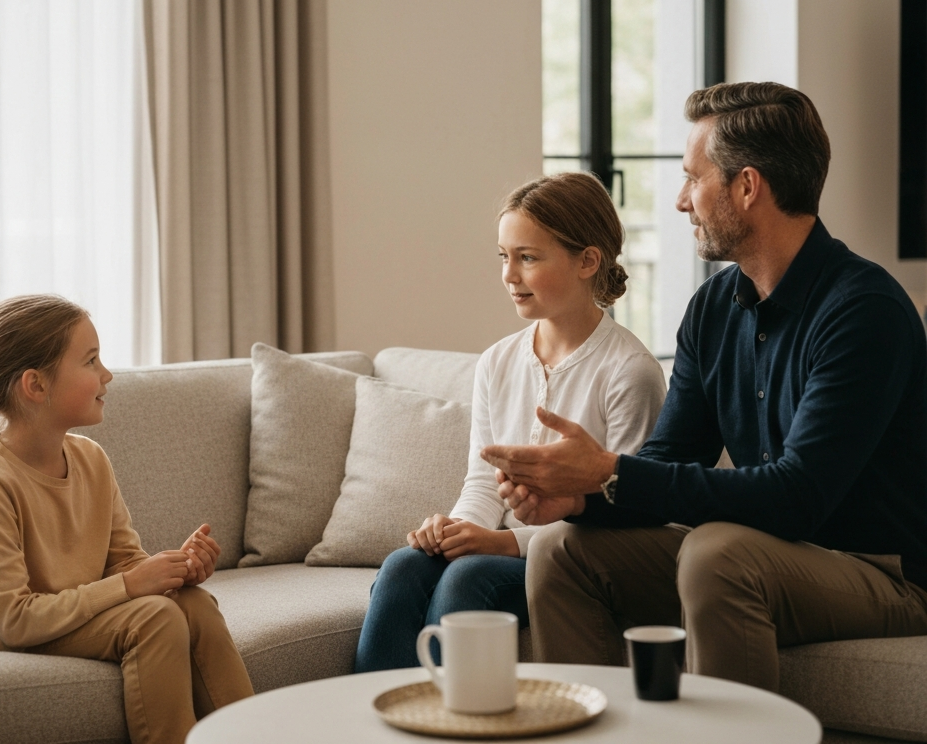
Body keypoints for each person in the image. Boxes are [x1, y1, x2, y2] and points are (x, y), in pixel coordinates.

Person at [483, 82, 927, 693]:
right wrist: (581, 498)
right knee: (561, 549)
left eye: (694, 178)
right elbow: (670, 460)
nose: (681, 202)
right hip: (765, 552)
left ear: (747, 188)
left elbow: (799, 497)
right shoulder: (713, 306)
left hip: (882, 573)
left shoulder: (864, 311)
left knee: (718, 554)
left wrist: (607, 469)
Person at [354, 171, 666, 672]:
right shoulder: (498, 362)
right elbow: (483, 481)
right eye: (504, 256)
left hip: (565, 562)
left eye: (528, 257)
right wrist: (454, 530)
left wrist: (501, 544)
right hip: (495, 550)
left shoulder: (631, 372)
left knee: (466, 578)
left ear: (588, 260)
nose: (509, 274)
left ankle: (451, 723)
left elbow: (623, 520)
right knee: (403, 567)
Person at [0, 295, 253, 744]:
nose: (107, 374)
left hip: (55, 611)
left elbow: (123, 563)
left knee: (191, 604)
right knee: (153, 618)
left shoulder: (90, 458)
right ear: (35, 386)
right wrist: (135, 586)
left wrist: (176, 571)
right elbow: (15, 620)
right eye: (91, 361)